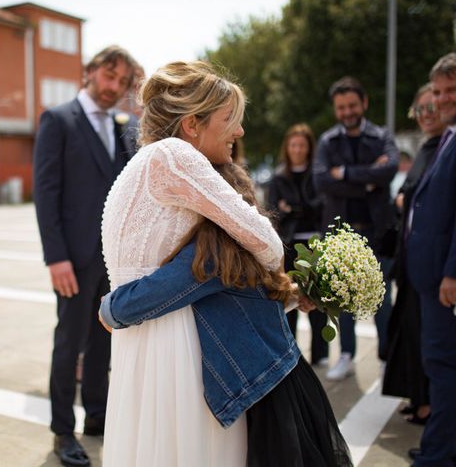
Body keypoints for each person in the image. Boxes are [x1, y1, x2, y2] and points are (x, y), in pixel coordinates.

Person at [100, 162, 353, 467]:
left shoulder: (213, 250)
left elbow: (158, 291)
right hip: (285, 372)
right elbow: (248, 304)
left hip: (260, 385)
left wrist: (110, 309)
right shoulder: (252, 245)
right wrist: (295, 296)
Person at [100, 61, 284, 466]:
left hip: (138, 338)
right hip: (175, 340)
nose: (239, 131)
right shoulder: (175, 156)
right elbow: (267, 243)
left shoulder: (143, 163)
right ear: (192, 125)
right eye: (229, 119)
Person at [32, 45, 139, 467]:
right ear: (90, 72)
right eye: (109, 76)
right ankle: (63, 429)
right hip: (72, 260)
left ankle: (97, 415)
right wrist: (55, 257)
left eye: (122, 81)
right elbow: (46, 193)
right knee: (69, 343)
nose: (115, 87)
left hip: (112, 259)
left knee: (102, 341)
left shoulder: (121, 124)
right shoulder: (58, 120)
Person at [313, 76, 399, 381]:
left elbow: (389, 171)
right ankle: (346, 355)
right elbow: (322, 181)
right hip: (341, 234)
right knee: (343, 298)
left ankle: (387, 357)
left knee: (383, 298)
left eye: (352, 105)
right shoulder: (327, 141)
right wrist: (368, 181)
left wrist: (346, 174)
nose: (347, 112)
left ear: (364, 103)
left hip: (378, 231)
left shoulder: (382, 136)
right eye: (341, 107)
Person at [382, 83, 446, 426]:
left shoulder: (445, 147)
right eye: (419, 109)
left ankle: (429, 405)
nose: (426, 115)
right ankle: (418, 397)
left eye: (430, 107)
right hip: (411, 258)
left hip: (430, 262)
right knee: (408, 329)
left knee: (427, 335)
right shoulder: (427, 148)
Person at [406, 52, 456, 467]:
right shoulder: (449, 136)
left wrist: (452, 273)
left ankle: (439, 455)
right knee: (438, 364)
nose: (441, 100)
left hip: (444, 277)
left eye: (450, 90)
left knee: (442, 365)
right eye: (437, 91)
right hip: (431, 274)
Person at [267, 123, 328, 365]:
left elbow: (320, 206)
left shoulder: (317, 174)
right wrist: (295, 209)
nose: (297, 149)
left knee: (318, 299)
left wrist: (292, 208)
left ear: (309, 147)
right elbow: (274, 212)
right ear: (287, 147)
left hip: (315, 242)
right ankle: (291, 352)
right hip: (289, 245)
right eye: (293, 144)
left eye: (302, 144)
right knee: (290, 298)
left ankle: (321, 354)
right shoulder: (279, 177)